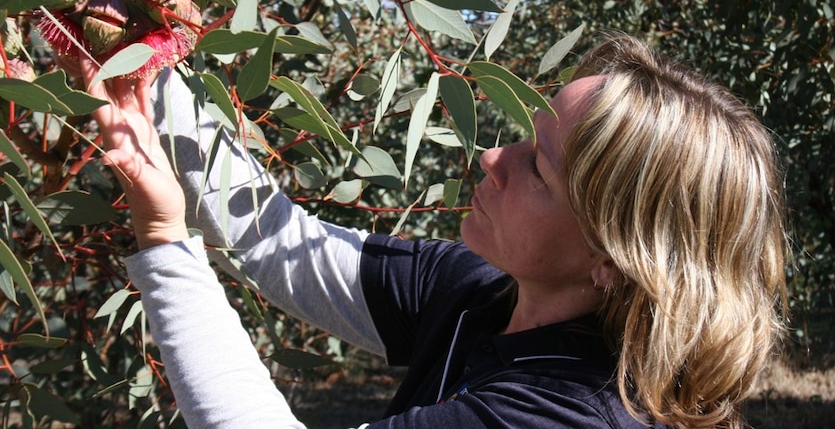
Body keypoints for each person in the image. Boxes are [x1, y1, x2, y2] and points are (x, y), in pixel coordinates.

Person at [82, 34, 788, 429]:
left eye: (537, 168)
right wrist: (139, 64)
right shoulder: (482, 291)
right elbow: (280, 243)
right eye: (523, 134)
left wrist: (165, 237)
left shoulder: (567, 414)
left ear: (613, 257)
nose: (491, 158)